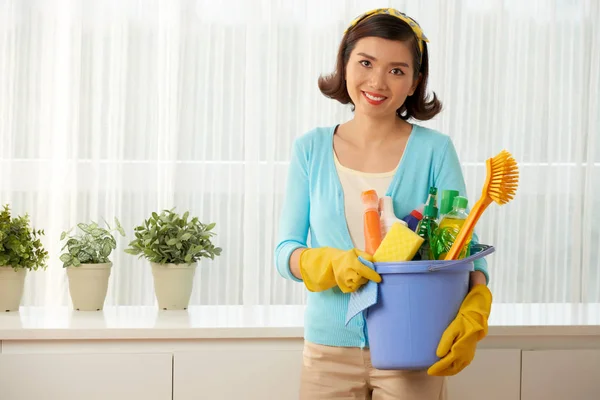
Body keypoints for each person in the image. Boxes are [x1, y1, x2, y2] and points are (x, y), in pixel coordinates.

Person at [274, 8, 492, 400]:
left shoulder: (435, 151)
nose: (377, 81)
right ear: (344, 65)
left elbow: (467, 251)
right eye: (366, 63)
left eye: (396, 70)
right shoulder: (310, 149)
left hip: (416, 345)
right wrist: (327, 263)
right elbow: (285, 252)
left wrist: (477, 304)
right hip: (328, 352)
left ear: (414, 82)